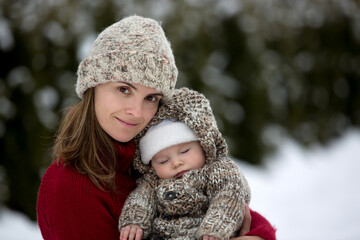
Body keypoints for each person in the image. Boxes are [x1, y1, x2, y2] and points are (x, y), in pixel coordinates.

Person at [36, 15, 276, 240]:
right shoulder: (70, 188)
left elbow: (246, 218)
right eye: (124, 89)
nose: (137, 112)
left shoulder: (151, 156)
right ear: (93, 85)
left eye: (151, 98)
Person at [119, 87, 251, 240]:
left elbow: (229, 196)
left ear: (204, 146)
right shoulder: (153, 182)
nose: (176, 163)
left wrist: (215, 229)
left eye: (185, 151)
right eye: (163, 161)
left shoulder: (218, 170)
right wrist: (134, 222)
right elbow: (141, 200)